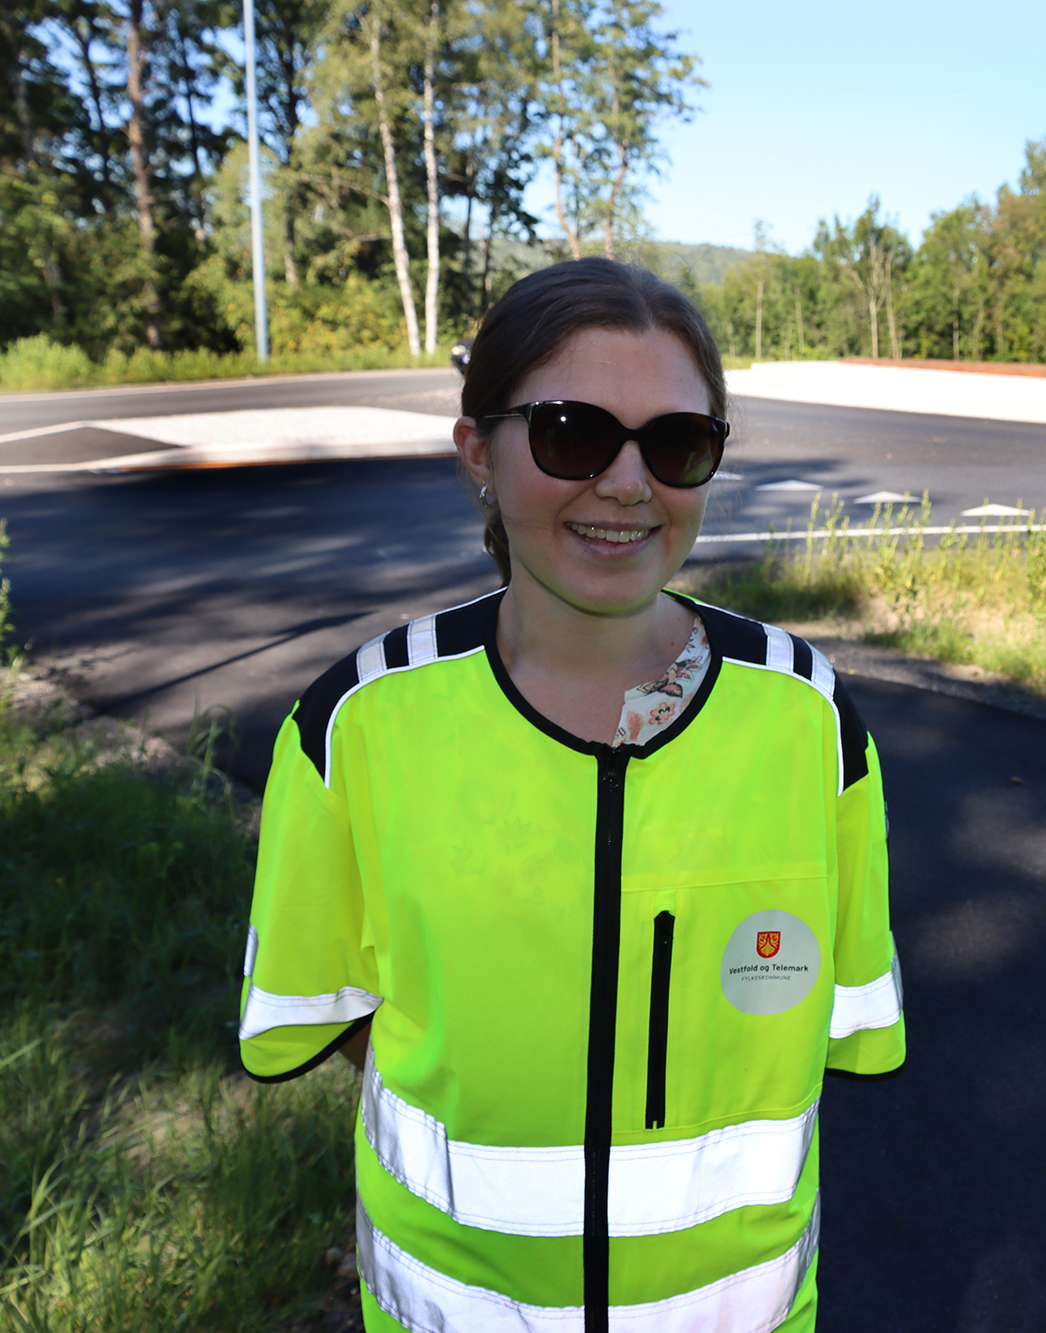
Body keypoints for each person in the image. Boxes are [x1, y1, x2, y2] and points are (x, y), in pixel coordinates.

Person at [238, 257, 904, 1333]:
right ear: (479, 456)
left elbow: (830, 1016)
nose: (628, 483)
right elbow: (331, 1016)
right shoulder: (355, 725)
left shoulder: (807, 720)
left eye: (677, 444)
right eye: (569, 432)